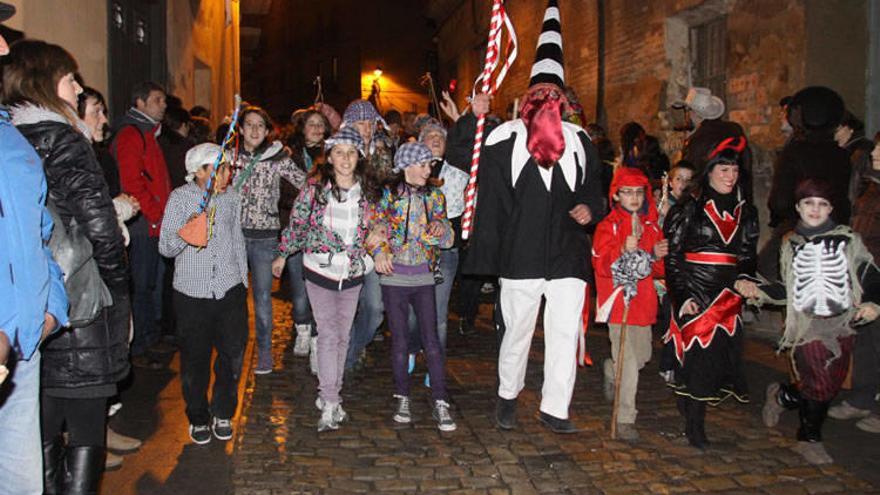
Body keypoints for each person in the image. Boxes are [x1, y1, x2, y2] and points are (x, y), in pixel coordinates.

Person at [462, 0, 605, 434]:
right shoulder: (502, 138)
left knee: (564, 332)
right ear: (526, 100)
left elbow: (595, 191)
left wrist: (590, 210)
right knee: (517, 330)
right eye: (539, 95)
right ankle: (508, 394)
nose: (547, 102)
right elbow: (461, 158)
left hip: (566, 255)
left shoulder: (581, 142)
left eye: (554, 96)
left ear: (564, 102)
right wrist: (473, 118)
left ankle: (556, 407)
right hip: (520, 256)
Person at [7, 39, 130, 493]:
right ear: (43, 82)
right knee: (85, 417)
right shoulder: (63, 137)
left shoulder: (12, 133)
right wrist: (118, 286)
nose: (79, 88)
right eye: (69, 79)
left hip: (31, 297)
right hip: (79, 295)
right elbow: (99, 225)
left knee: (41, 415)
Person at [757, 178, 880, 464]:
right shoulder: (789, 243)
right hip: (807, 326)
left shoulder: (848, 241)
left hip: (842, 324)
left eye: (822, 204)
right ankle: (809, 438)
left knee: (829, 385)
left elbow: (871, 275)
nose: (815, 209)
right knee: (821, 383)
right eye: (809, 203)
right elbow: (784, 288)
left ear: (831, 209)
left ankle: (782, 396)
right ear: (798, 207)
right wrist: (758, 291)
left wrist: (873, 303)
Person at [0, 7, 69, 493]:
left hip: (23, 346)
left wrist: (52, 305)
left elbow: (38, 232)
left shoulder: (12, 141)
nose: (4, 47)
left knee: (23, 481)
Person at [272, 127, 378, 432]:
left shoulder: (368, 194)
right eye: (339, 153)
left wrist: (379, 241)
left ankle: (330, 392)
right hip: (319, 270)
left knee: (342, 336)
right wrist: (283, 254)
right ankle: (331, 400)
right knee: (329, 334)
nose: (345, 159)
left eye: (351, 153)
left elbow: (378, 226)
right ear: (329, 157)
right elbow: (297, 223)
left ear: (359, 157)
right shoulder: (315, 190)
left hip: (353, 272)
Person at [663, 136, 760, 449]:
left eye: (735, 170)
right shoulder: (689, 208)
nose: (730, 176)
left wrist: (745, 278)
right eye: (724, 169)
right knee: (699, 360)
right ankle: (695, 425)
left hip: (728, 295)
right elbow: (673, 257)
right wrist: (682, 297)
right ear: (710, 171)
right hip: (695, 290)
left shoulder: (747, 212)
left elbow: (747, 255)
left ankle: (689, 405)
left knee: (717, 360)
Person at [159, 143, 248, 445]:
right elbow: (166, 247)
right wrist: (187, 230)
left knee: (232, 355)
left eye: (228, 169)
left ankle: (223, 411)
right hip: (192, 292)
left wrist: (242, 280)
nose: (226, 175)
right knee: (195, 359)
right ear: (199, 171)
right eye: (219, 169)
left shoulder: (231, 198)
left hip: (229, 288)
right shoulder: (180, 199)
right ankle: (198, 416)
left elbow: (237, 240)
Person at [76, 86, 144, 468]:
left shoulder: (96, 154)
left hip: (107, 265)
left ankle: (102, 425)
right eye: (97, 111)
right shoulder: (72, 154)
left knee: (110, 349)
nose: (105, 119)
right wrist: (117, 209)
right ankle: (83, 439)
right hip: (88, 272)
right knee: (89, 358)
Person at [372, 142, 457, 432]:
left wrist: (441, 229)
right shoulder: (388, 195)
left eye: (430, 165)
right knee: (399, 340)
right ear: (407, 166)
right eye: (423, 165)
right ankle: (402, 396)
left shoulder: (435, 196)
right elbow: (375, 228)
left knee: (431, 339)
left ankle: (440, 400)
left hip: (423, 275)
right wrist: (380, 251)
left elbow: (447, 234)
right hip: (394, 275)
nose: (428, 170)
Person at [593, 167, 667, 441]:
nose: (634, 198)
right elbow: (601, 263)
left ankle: (611, 369)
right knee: (629, 363)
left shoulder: (651, 226)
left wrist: (656, 255)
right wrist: (622, 249)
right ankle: (625, 418)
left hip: (643, 302)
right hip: (618, 301)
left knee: (642, 356)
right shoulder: (608, 226)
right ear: (616, 195)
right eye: (628, 192)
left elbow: (657, 271)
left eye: (638, 192)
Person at [232, 106, 306, 374]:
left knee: (262, 296)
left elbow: (305, 184)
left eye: (260, 125)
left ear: (267, 131)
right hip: (234, 236)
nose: (254, 130)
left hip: (265, 238)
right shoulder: (229, 158)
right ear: (241, 129)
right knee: (234, 297)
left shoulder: (278, 158)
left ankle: (264, 353)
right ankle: (235, 351)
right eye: (249, 124)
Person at [112, 80, 172, 368]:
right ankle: (139, 347)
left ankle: (149, 337)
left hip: (153, 223)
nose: (164, 104)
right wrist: (155, 215)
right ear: (140, 102)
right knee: (141, 285)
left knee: (149, 284)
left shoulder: (148, 133)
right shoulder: (131, 134)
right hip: (143, 224)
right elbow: (133, 182)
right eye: (158, 99)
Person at [829, 137, 880, 431]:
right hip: (864, 272)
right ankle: (863, 397)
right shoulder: (870, 185)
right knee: (865, 340)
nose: (874, 152)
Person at [340, 100, 389, 373]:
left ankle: (355, 347)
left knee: (374, 308)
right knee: (346, 308)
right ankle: (343, 360)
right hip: (343, 245)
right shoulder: (338, 153)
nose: (367, 129)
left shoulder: (382, 154)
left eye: (370, 123)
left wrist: (381, 226)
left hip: (373, 244)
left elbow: (389, 194)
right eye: (361, 123)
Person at [285, 107, 331, 363]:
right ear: (302, 128)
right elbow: (282, 191)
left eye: (320, 124)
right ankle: (301, 326)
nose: (316, 128)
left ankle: (315, 334)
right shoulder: (289, 155)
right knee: (299, 288)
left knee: (319, 287)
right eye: (311, 124)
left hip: (322, 233)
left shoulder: (331, 155)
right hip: (297, 229)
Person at [680, 87, 752, 195]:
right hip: (739, 194)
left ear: (694, 113)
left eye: (688, 111)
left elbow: (691, 172)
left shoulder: (699, 138)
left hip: (711, 196)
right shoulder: (735, 129)